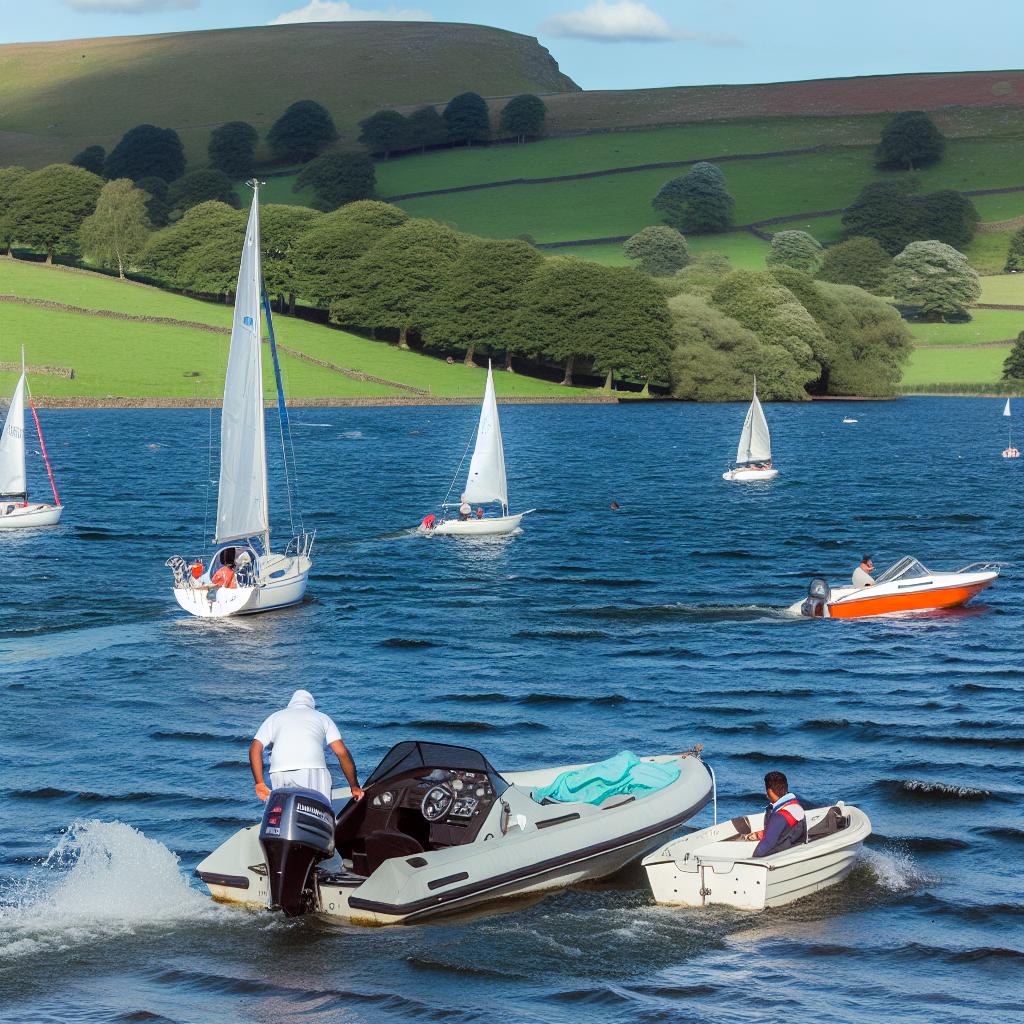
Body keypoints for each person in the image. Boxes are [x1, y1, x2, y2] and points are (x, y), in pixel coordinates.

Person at [249, 689, 364, 804]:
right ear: (311, 705)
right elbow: (341, 752)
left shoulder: (273, 717)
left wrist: (259, 783)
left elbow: (255, 747)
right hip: (313, 768)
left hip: (278, 771)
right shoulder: (322, 717)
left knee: (284, 811)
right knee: (318, 808)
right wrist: (354, 786)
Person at [747, 771, 806, 857]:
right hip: (794, 850)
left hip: (779, 858)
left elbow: (763, 849)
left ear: (770, 791)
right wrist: (761, 834)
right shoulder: (796, 806)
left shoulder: (779, 817)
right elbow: (786, 831)